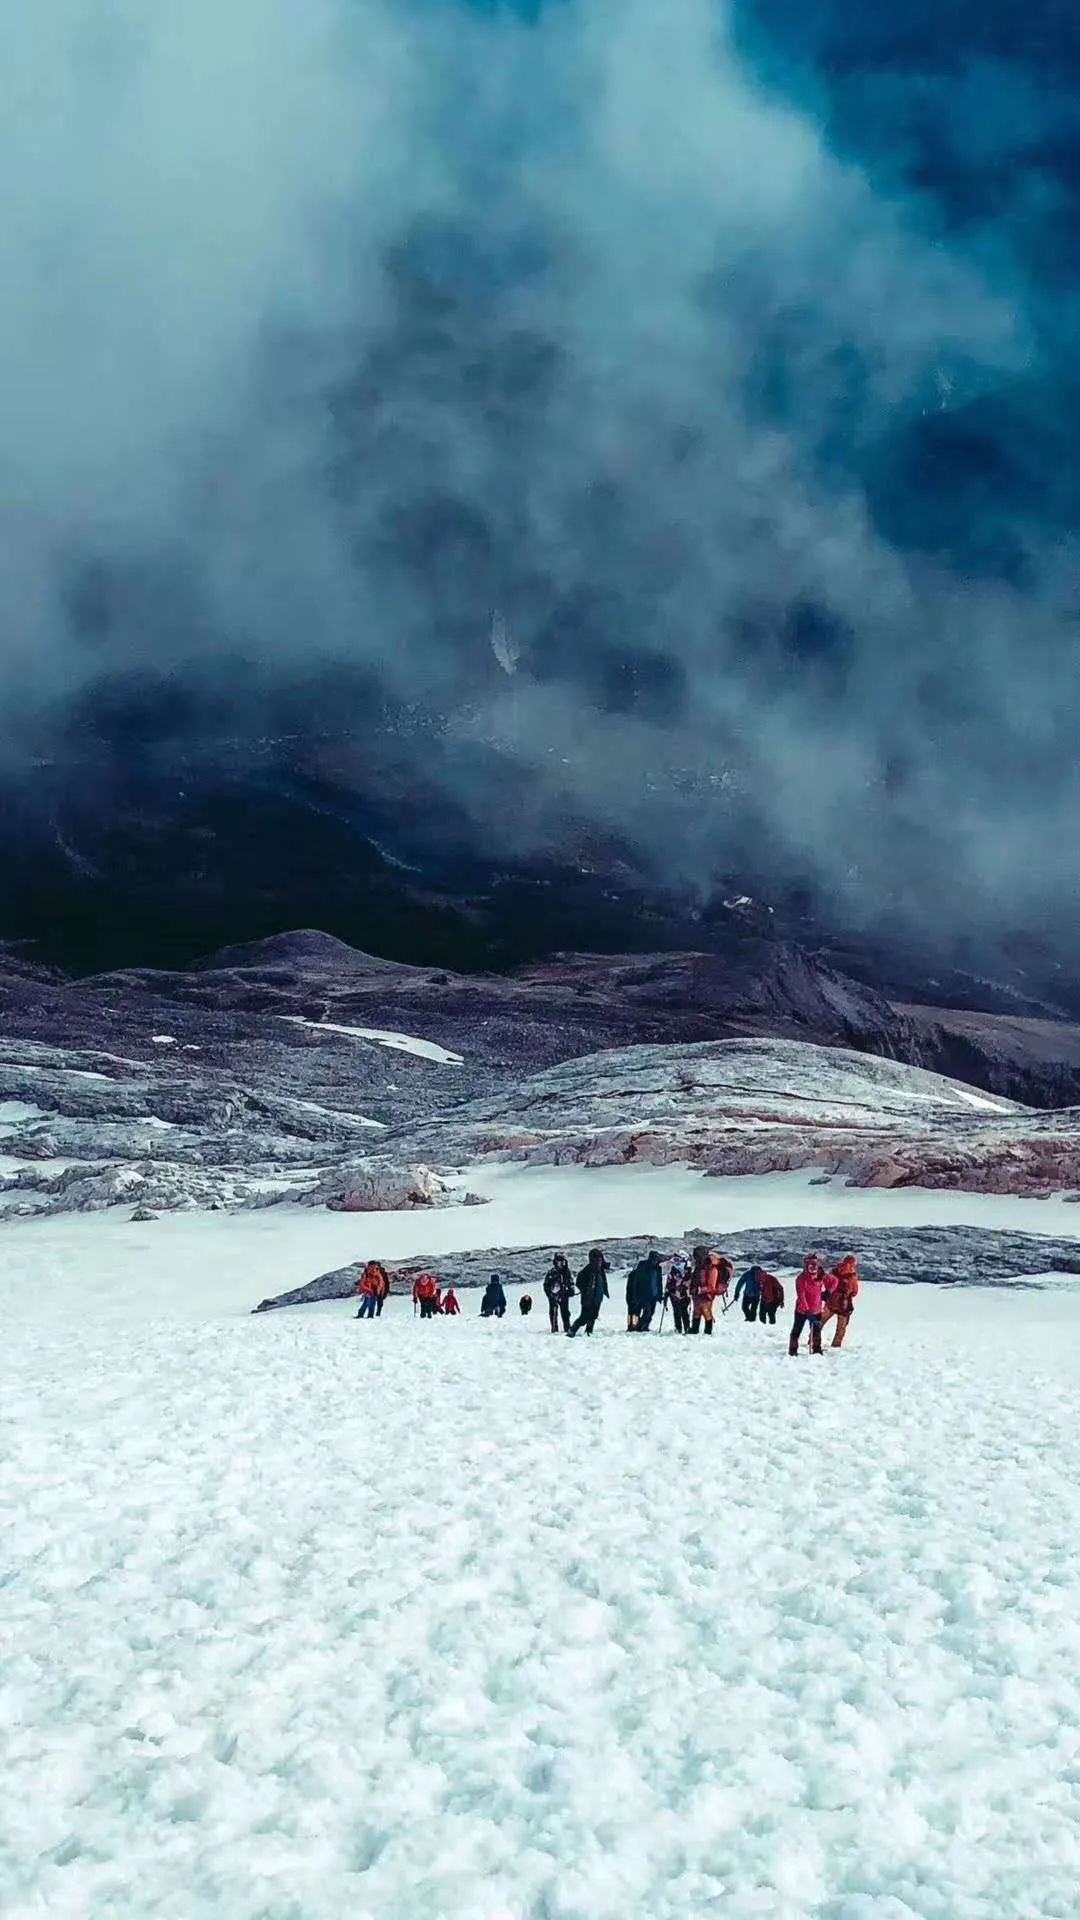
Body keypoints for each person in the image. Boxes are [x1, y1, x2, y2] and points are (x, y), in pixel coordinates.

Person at [789, 1255, 825, 1355]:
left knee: (816, 1331)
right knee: (797, 1330)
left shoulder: (820, 1276)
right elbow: (801, 1296)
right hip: (803, 1310)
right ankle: (793, 1350)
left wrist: (828, 1292)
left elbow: (833, 1281)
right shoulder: (801, 1279)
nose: (813, 1267)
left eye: (815, 1265)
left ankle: (817, 1349)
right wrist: (808, 1311)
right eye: (811, 1265)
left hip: (815, 1310)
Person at [822, 1255, 860, 1348]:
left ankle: (812, 1340)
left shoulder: (834, 1271)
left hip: (830, 1302)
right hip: (844, 1305)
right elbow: (854, 1292)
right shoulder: (852, 1276)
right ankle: (835, 1347)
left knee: (820, 1322)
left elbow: (826, 1283)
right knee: (841, 1328)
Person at [568, 1249, 609, 1337]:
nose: (599, 1262)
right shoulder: (587, 1270)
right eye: (597, 1260)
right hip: (588, 1298)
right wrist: (585, 1290)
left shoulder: (600, 1270)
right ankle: (572, 1330)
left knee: (593, 1315)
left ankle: (589, 1331)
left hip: (597, 1297)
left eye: (600, 1260)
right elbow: (579, 1282)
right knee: (584, 1317)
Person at [690, 1247, 730, 1335]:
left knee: (706, 1311)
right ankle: (694, 1330)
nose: (695, 1258)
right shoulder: (699, 1266)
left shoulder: (712, 1268)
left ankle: (707, 1332)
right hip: (697, 1292)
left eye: (696, 1256)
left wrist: (700, 1290)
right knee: (696, 1311)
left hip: (707, 1294)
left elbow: (712, 1286)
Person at [625, 1250, 664, 1330]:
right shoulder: (643, 1268)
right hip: (643, 1295)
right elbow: (637, 1282)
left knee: (650, 1313)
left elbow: (659, 1282)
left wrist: (659, 1294)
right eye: (654, 1260)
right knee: (643, 1312)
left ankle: (643, 1327)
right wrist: (636, 1295)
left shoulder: (658, 1269)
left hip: (653, 1295)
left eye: (657, 1260)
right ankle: (636, 1327)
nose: (655, 1262)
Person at [543, 1254, 574, 1334]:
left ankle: (567, 1329)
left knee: (566, 1313)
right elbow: (546, 1285)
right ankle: (554, 1330)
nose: (561, 1263)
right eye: (559, 1261)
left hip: (564, 1295)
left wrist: (571, 1291)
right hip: (553, 1296)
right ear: (555, 1262)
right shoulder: (552, 1272)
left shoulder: (567, 1272)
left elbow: (571, 1282)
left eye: (562, 1261)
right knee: (553, 1313)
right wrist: (550, 1294)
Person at [666, 1257, 693, 1335]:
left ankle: (687, 1328)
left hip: (685, 1295)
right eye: (676, 1261)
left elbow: (690, 1283)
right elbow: (668, 1283)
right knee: (677, 1312)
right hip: (674, 1295)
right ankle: (678, 1329)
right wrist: (668, 1292)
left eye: (679, 1261)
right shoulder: (672, 1272)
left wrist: (685, 1288)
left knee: (684, 1311)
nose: (677, 1263)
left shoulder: (688, 1272)